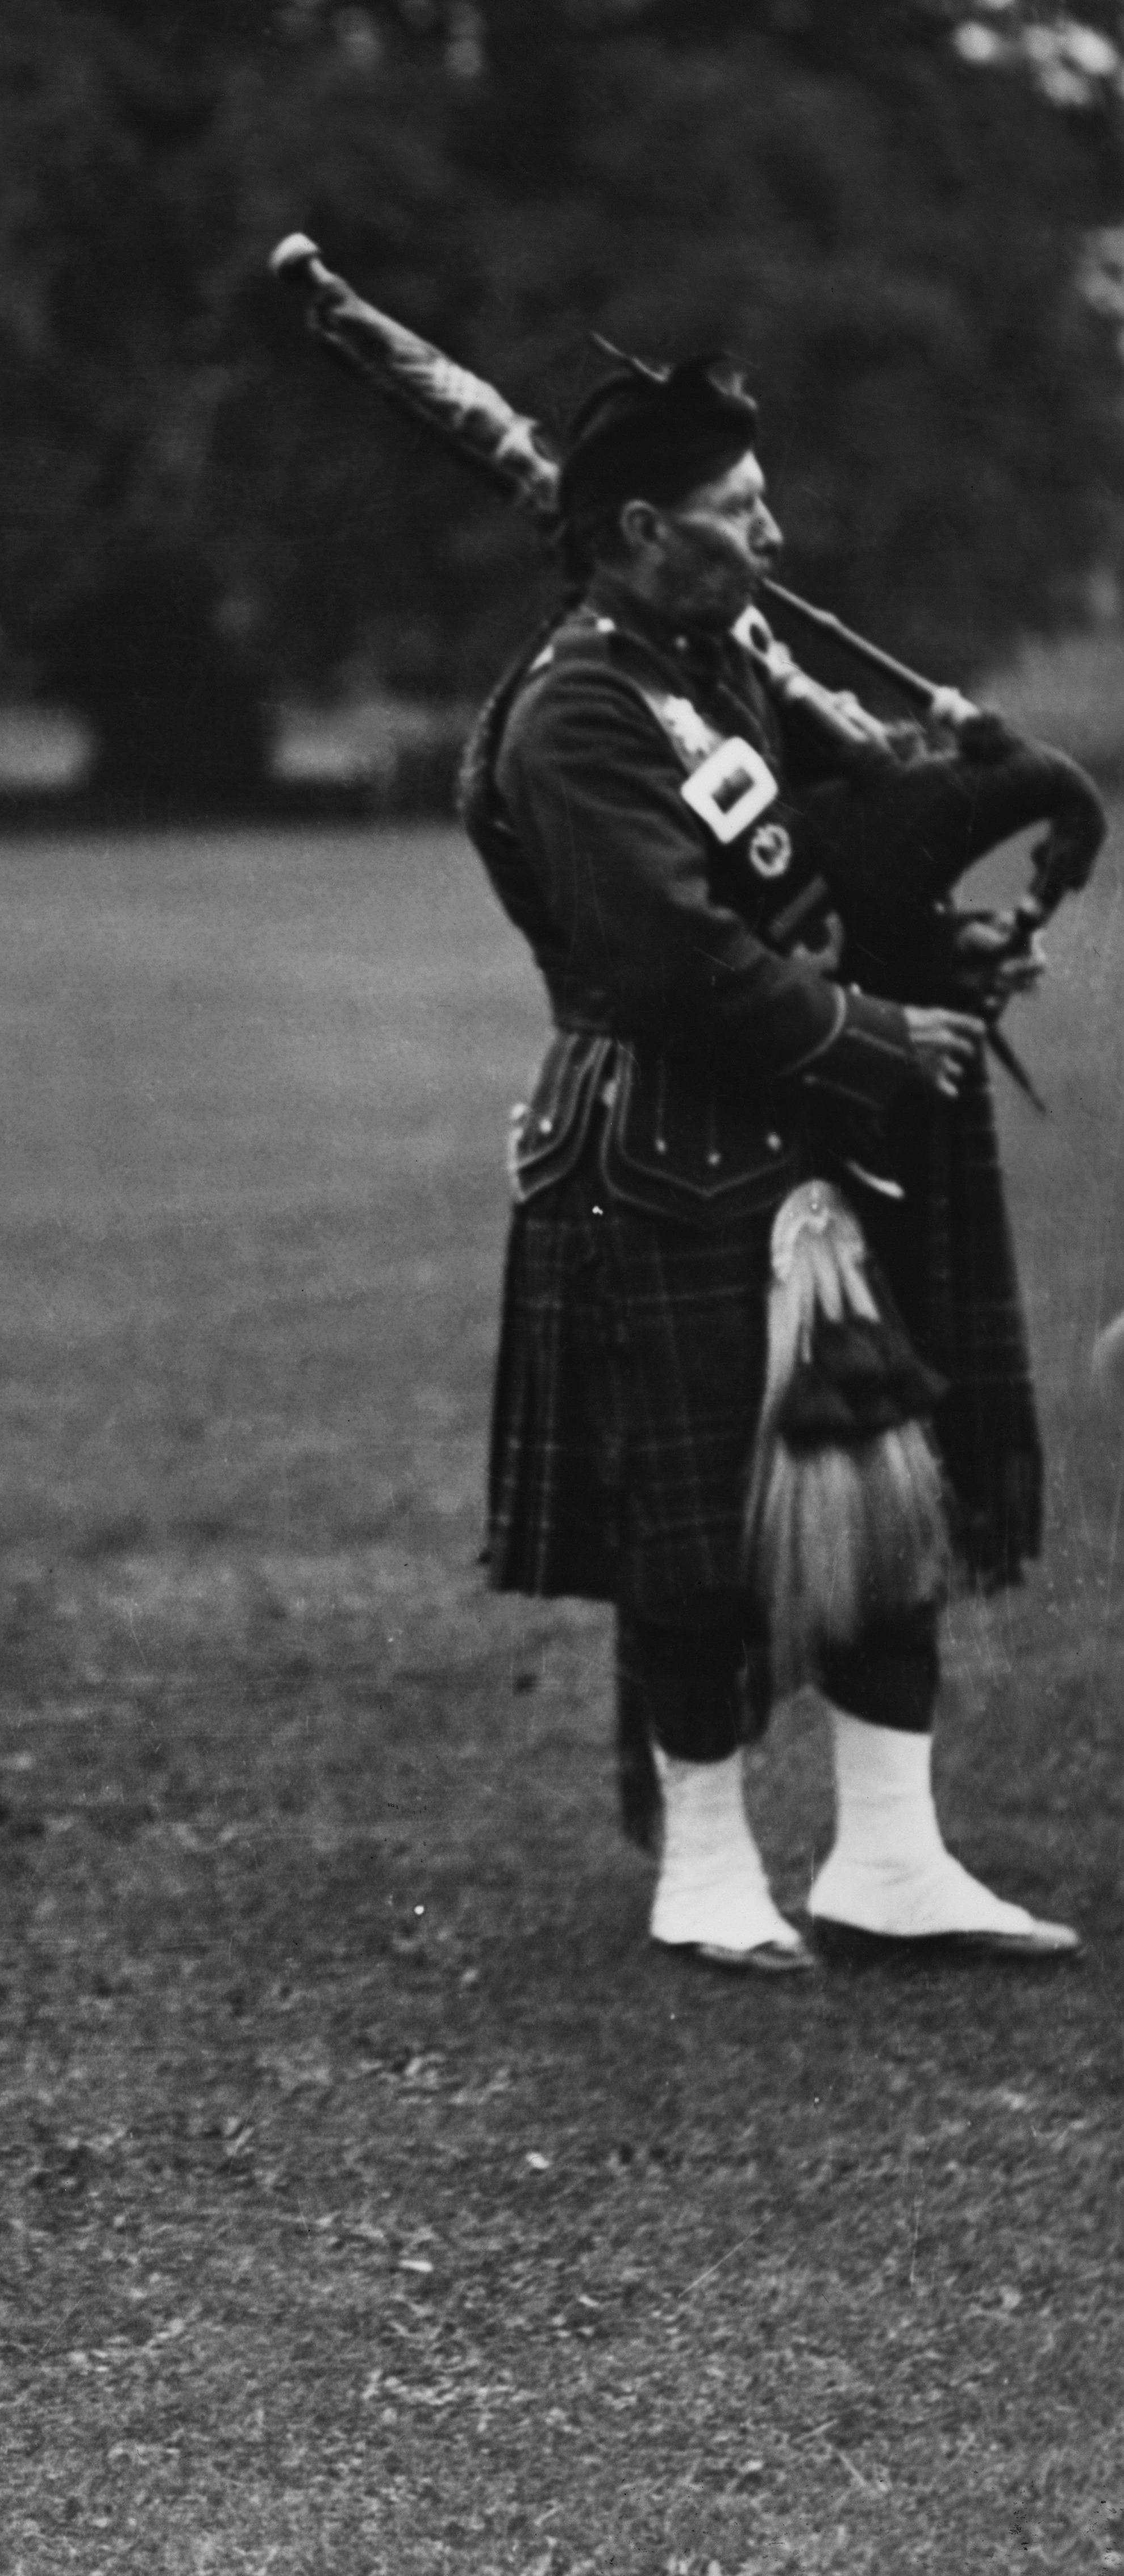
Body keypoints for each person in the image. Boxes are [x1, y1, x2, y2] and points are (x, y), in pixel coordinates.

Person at [460, 351, 1080, 1973]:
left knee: (880, 1494)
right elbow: (668, 961)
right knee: (696, 1525)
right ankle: (706, 1872)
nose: (775, 535)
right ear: (647, 528)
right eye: (741, 509)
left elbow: (809, 869)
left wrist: (937, 924)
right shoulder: (572, 714)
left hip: (819, 1128)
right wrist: (878, 1041)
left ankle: (888, 1857)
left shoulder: (718, 665)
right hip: (662, 1145)